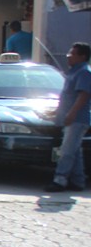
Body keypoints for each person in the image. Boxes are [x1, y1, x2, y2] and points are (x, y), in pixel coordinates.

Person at [45, 42, 90, 192]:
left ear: (82, 56)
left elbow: (84, 95)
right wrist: (57, 112)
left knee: (66, 152)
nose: (68, 56)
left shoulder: (83, 72)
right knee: (74, 151)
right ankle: (78, 181)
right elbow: (67, 96)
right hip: (70, 118)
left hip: (77, 119)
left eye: (72, 54)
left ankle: (60, 180)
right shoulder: (73, 72)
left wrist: (72, 113)